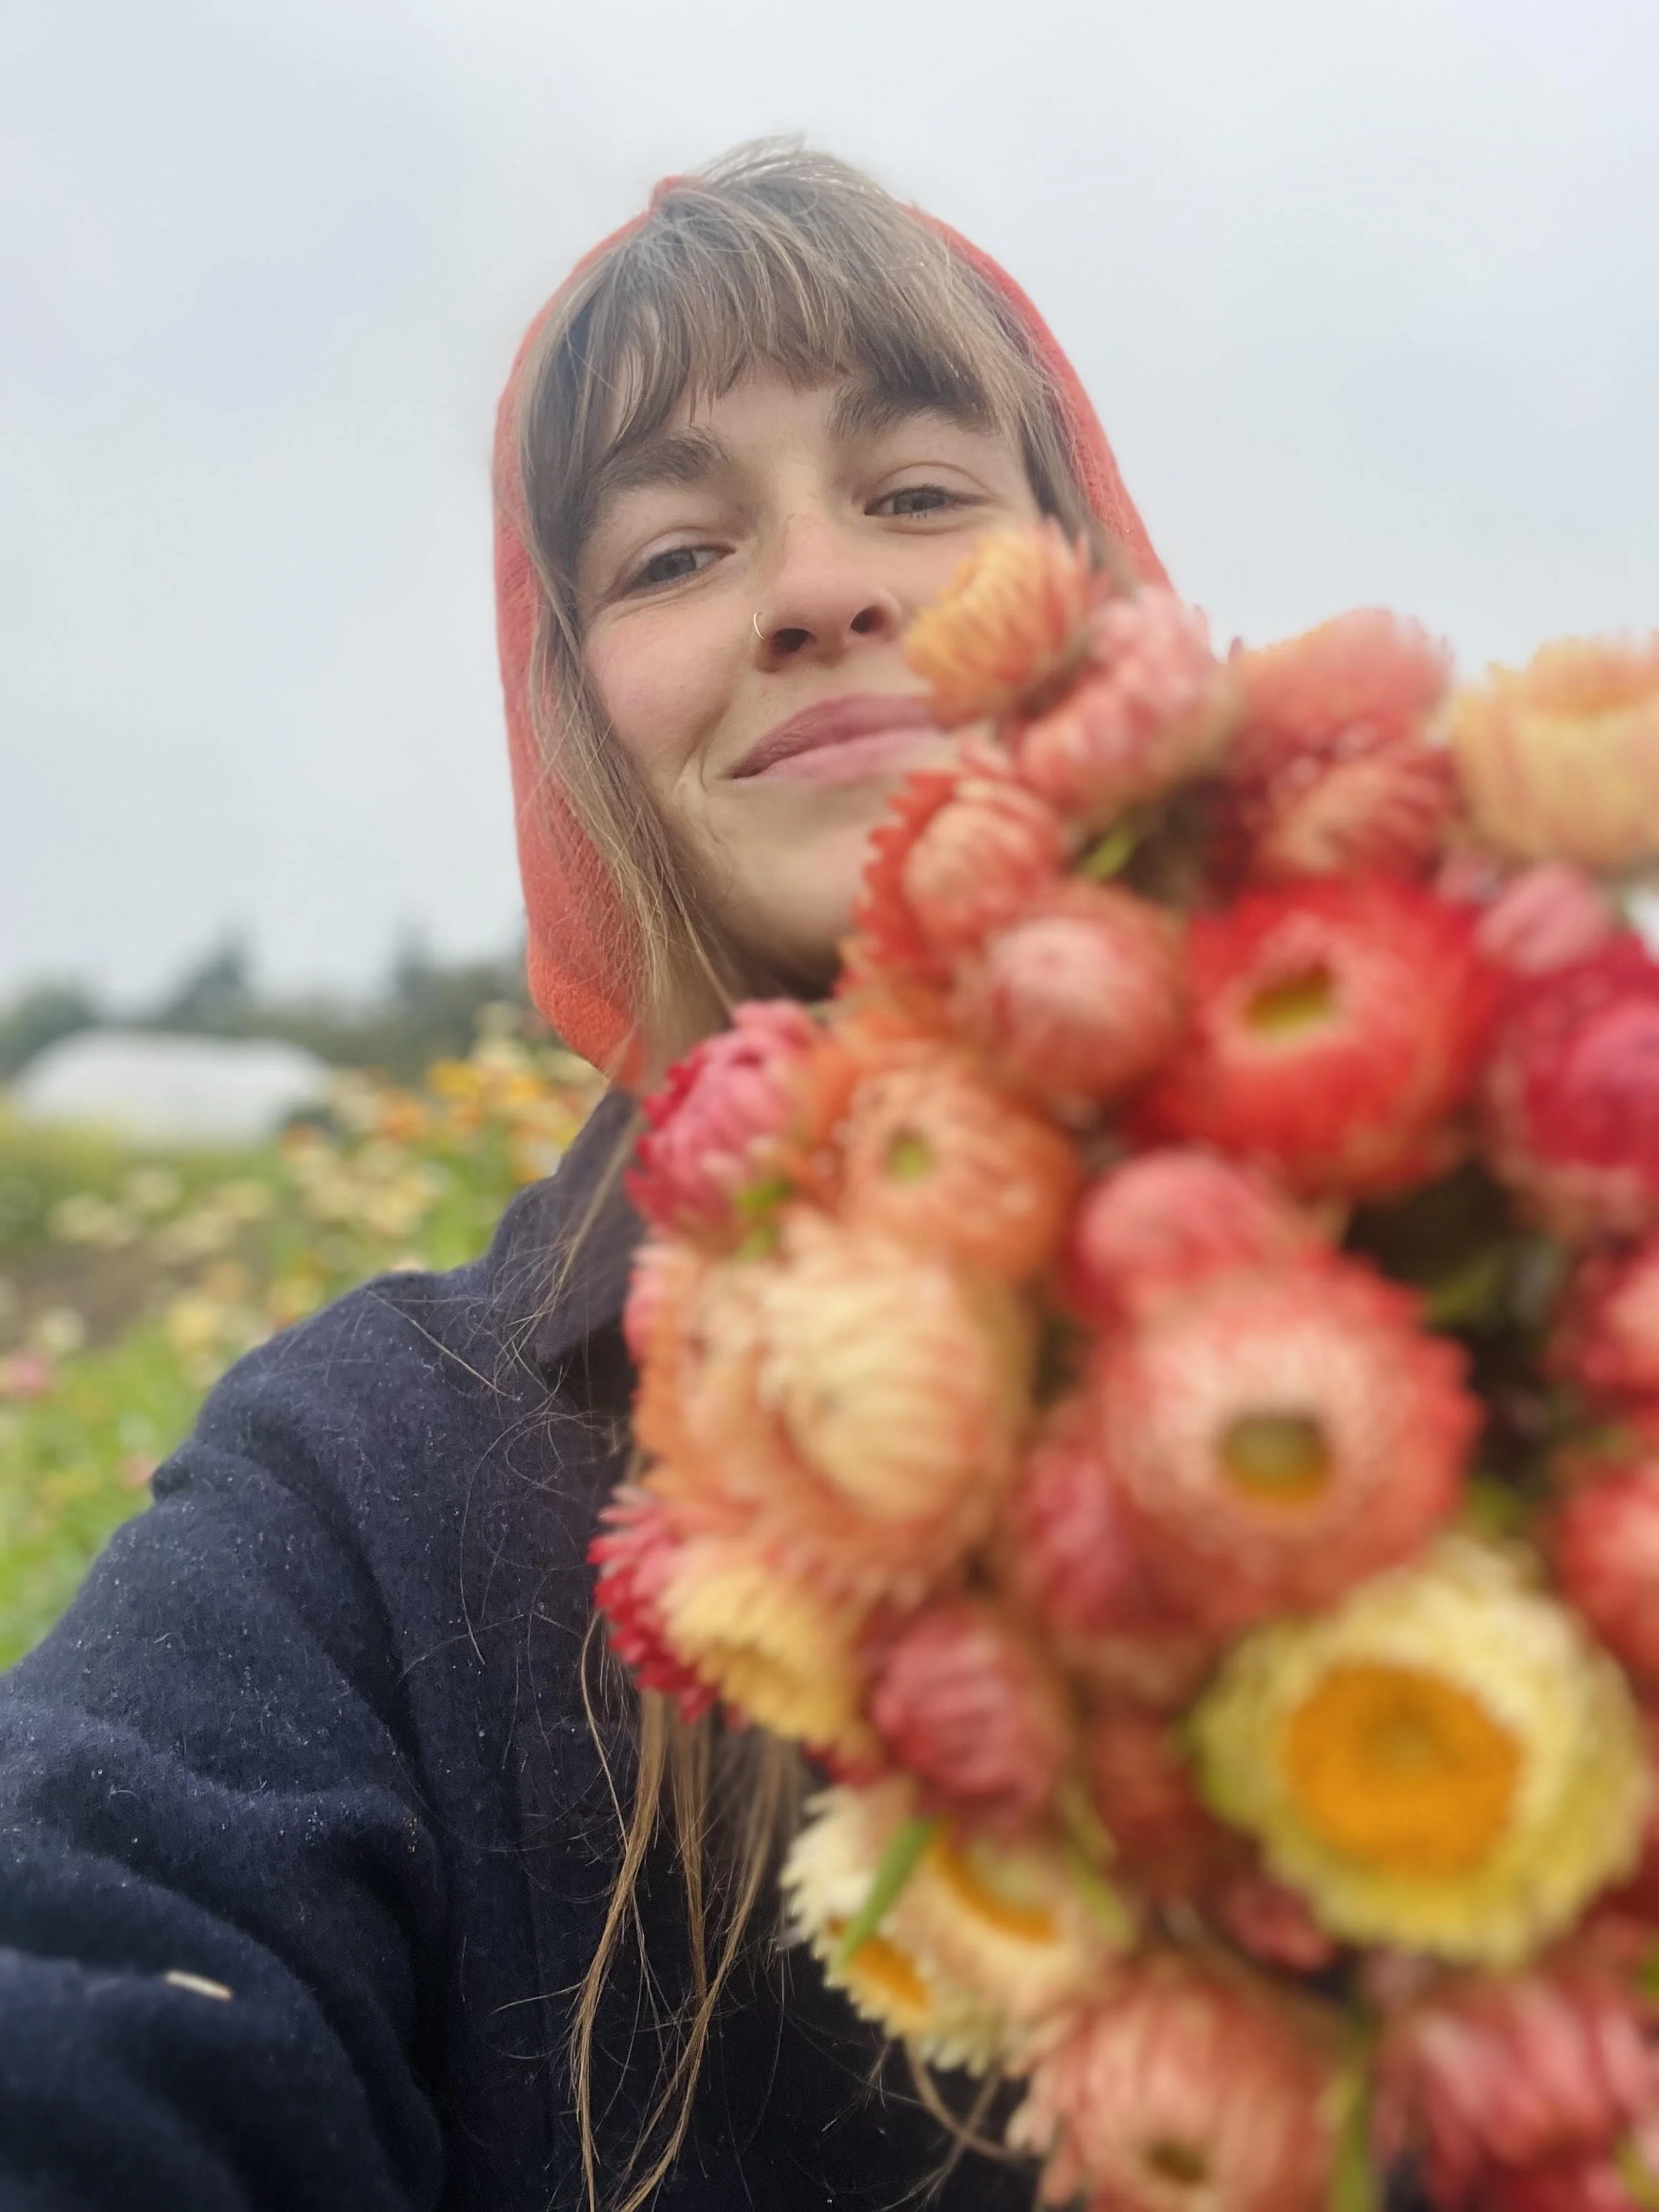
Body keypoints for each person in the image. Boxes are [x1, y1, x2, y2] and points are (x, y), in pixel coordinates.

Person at [0, 145, 1173, 2211]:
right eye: (669, 553)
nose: (820, 586)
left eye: (915, 492)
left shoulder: (1522, 1277)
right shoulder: (371, 1479)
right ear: (579, 723)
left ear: (1096, 584)